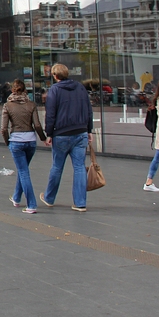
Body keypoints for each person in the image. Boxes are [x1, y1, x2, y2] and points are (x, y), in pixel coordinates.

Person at [41, 63, 93, 212]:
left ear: (55, 75)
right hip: (80, 132)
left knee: (57, 166)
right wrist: (89, 129)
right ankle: (80, 203)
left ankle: (49, 198)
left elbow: (50, 114)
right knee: (79, 167)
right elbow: (88, 109)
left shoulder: (54, 90)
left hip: (61, 134)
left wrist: (49, 133)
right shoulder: (80, 88)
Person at [1, 79, 47, 213]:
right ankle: (16, 197)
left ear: (12, 90)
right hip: (30, 141)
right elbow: (37, 125)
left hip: (16, 141)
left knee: (23, 172)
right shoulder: (31, 104)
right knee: (23, 170)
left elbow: (3, 129)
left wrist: (8, 142)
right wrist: (43, 138)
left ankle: (31, 205)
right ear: (25, 90)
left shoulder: (7, 105)